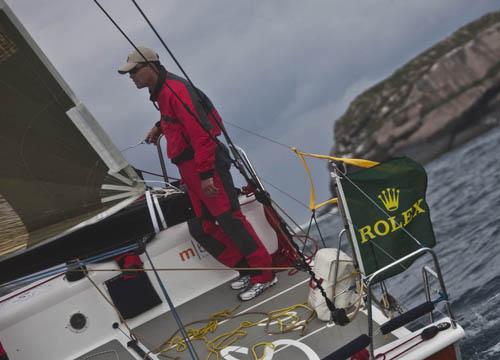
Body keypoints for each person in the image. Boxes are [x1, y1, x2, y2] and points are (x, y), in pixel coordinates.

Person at [118, 47, 277, 301]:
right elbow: (177, 118)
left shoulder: (176, 90)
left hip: (206, 165)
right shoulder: (161, 92)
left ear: (151, 66)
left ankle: (265, 274)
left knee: (231, 220)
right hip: (189, 168)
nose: (131, 77)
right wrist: (160, 126)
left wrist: (206, 175)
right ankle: (249, 269)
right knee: (200, 227)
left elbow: (202, 133)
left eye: (134, 71)